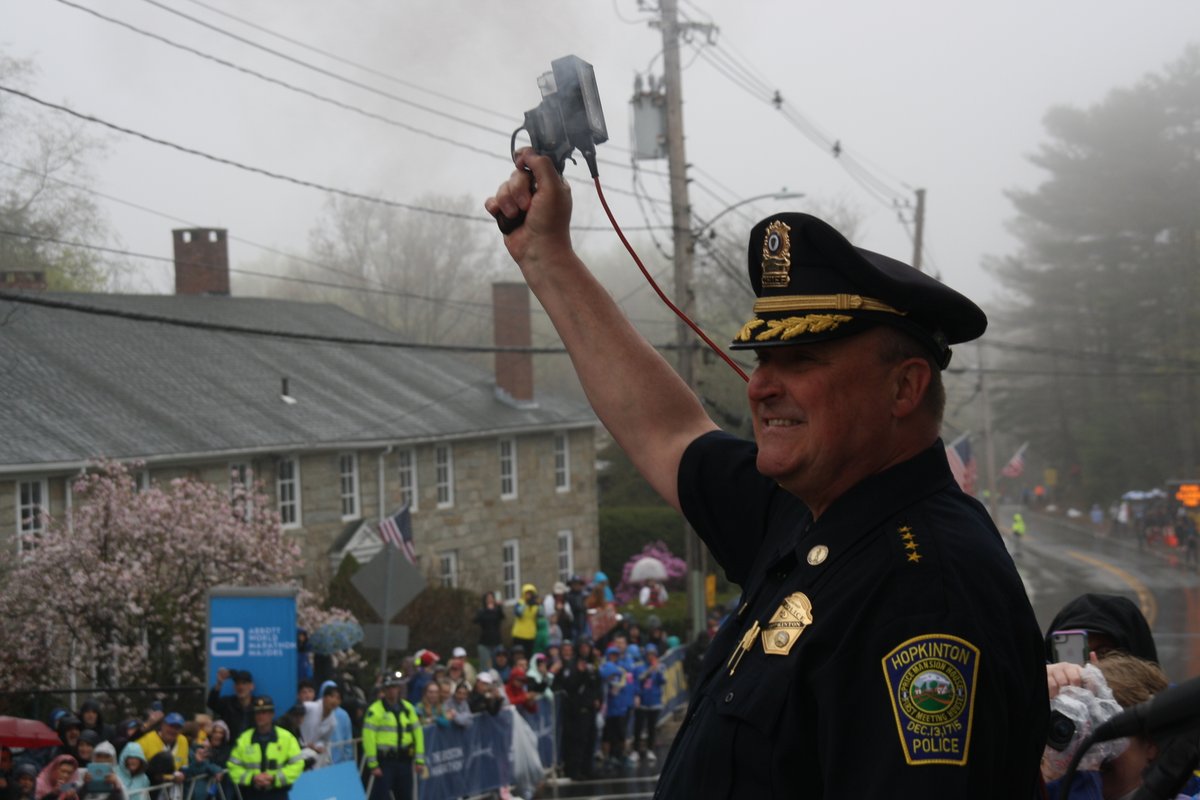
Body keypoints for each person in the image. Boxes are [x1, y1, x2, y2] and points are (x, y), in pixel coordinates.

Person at [486, 155, 1049, 798]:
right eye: (762, 358)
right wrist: (545, 255)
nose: (760, 386)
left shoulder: (925, 594)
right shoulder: (810, 512)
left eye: (801, 359)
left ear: (904, 387)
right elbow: (668, 432)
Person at [362, 672, 425, 800]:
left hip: (405, 761)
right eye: (389, 688)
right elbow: (368, 738)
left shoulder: (408, 708)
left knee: (406, 796)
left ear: (398, 689)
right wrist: (373, 764)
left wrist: (419, 760)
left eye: (394, 687)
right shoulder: (375, 710)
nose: (392, 691)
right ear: (384, 690)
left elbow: (418, 734)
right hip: (385, 762)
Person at [225, 697, 302, 800]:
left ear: (272, 714)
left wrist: (274, 778)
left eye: (264, 712)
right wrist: (252, 778)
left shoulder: (286, 738)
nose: (260, 716)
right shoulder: (244, 739)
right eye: (257, 713)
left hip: (278, 794)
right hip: (251, 794)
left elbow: (297, 764)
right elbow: (233, 767)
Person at [633, 643, 666, 763]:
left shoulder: (660, 666)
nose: (651, 656)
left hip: (654, 701)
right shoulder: (639, 666)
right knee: (639, 726)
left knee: (652, 727)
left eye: (653, 654)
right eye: (649, 654)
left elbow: (663, 681)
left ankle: (650, 749)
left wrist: (658, 671)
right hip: (642, 700)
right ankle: (636, 750)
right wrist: (649, 671)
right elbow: (638, 680)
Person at [297, 683, 342, 768]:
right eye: (331, 697)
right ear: (324, 697)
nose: (334, 701)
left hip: (312, 755)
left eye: (338, 698)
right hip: (297, 748)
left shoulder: (332, 722)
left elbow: (324, 740)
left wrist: (318, 746)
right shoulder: (310, 707)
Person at [206, 670, 258, 741]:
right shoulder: (228, 703)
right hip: (231, 747)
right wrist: (219, 683)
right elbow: (211, 703)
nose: (240, 687)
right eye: (237, 684)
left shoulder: (258, 705)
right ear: (234, 687)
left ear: (252, 686)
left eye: (244, 683)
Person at [472, 592, 504, 671]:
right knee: (486, 666)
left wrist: (499, 606)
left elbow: (502, 617)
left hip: (497, 642)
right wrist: (486, 610)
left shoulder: (497, 610)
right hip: (484, 643)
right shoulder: (482, 611)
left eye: (491, 598)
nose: (490, 600)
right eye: (488, 598)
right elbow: (475, 620)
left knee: (497, 666)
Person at [511, 584, 540, 656]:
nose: (529, 595)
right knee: (518, 655)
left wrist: (539, 604)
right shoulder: (519, 603)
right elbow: (518, 613)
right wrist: (526, 604)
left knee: (528, 655)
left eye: (531, 593)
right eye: (527, 593)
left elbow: (541, 615)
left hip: (530, 635)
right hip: (519, 634)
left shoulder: (535, 605)